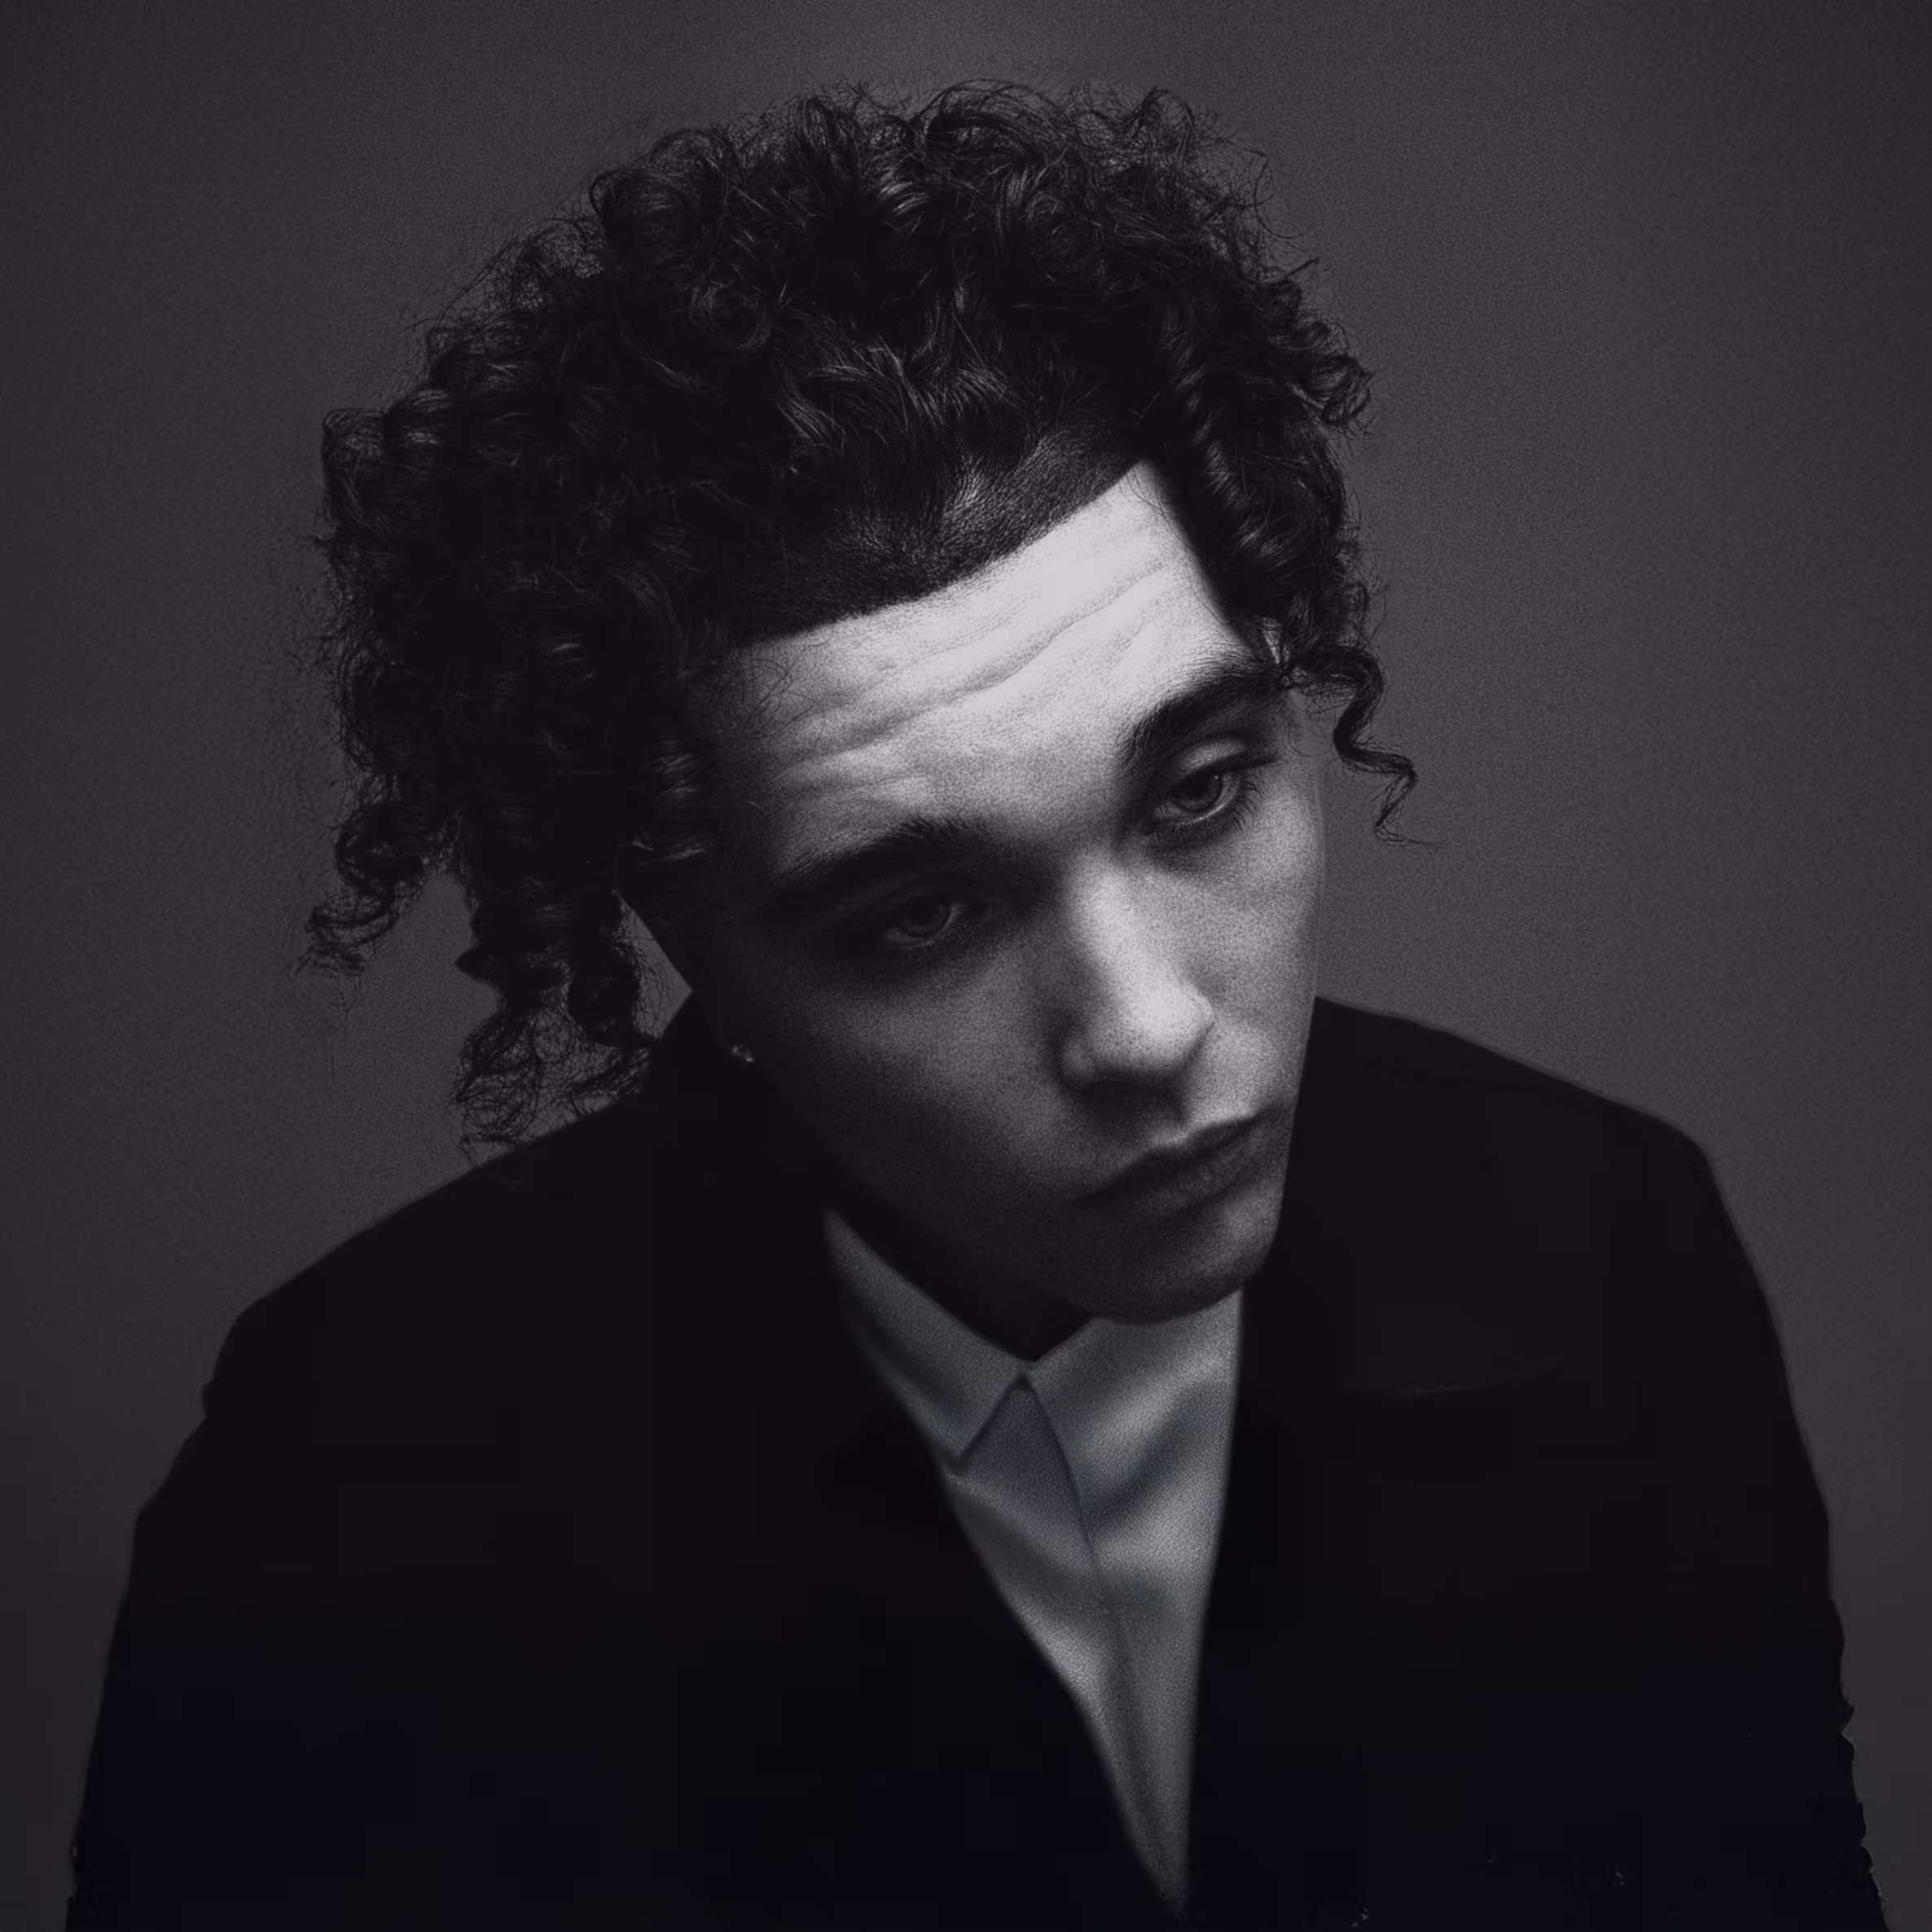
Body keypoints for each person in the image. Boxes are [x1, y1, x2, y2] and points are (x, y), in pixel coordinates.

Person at [66, 81, 1887, 1930]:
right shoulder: (347, 1492)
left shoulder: (1605, 1251)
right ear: (696, 948)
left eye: (1198, 792)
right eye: (921, 914)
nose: (1145, 1028)